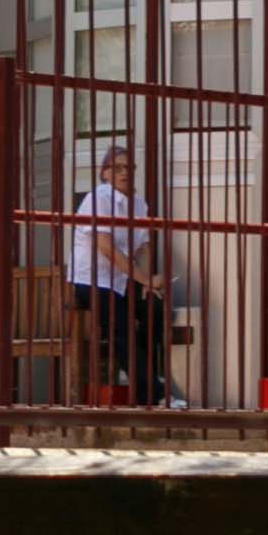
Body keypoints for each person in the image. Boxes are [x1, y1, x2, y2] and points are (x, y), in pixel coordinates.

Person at [66, 142, 169, 405]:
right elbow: (106, 248)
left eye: (129, 167)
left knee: (154, 309)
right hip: (92, 280)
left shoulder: (138, 203)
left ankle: (139, 379)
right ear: (105, 173)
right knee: (121, 325)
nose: (125, 172)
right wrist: (145, 279)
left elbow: (144, 246)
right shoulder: (98, 198)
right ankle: (155, 394)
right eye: (118, 167)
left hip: (122, 280)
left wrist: (146, 284)